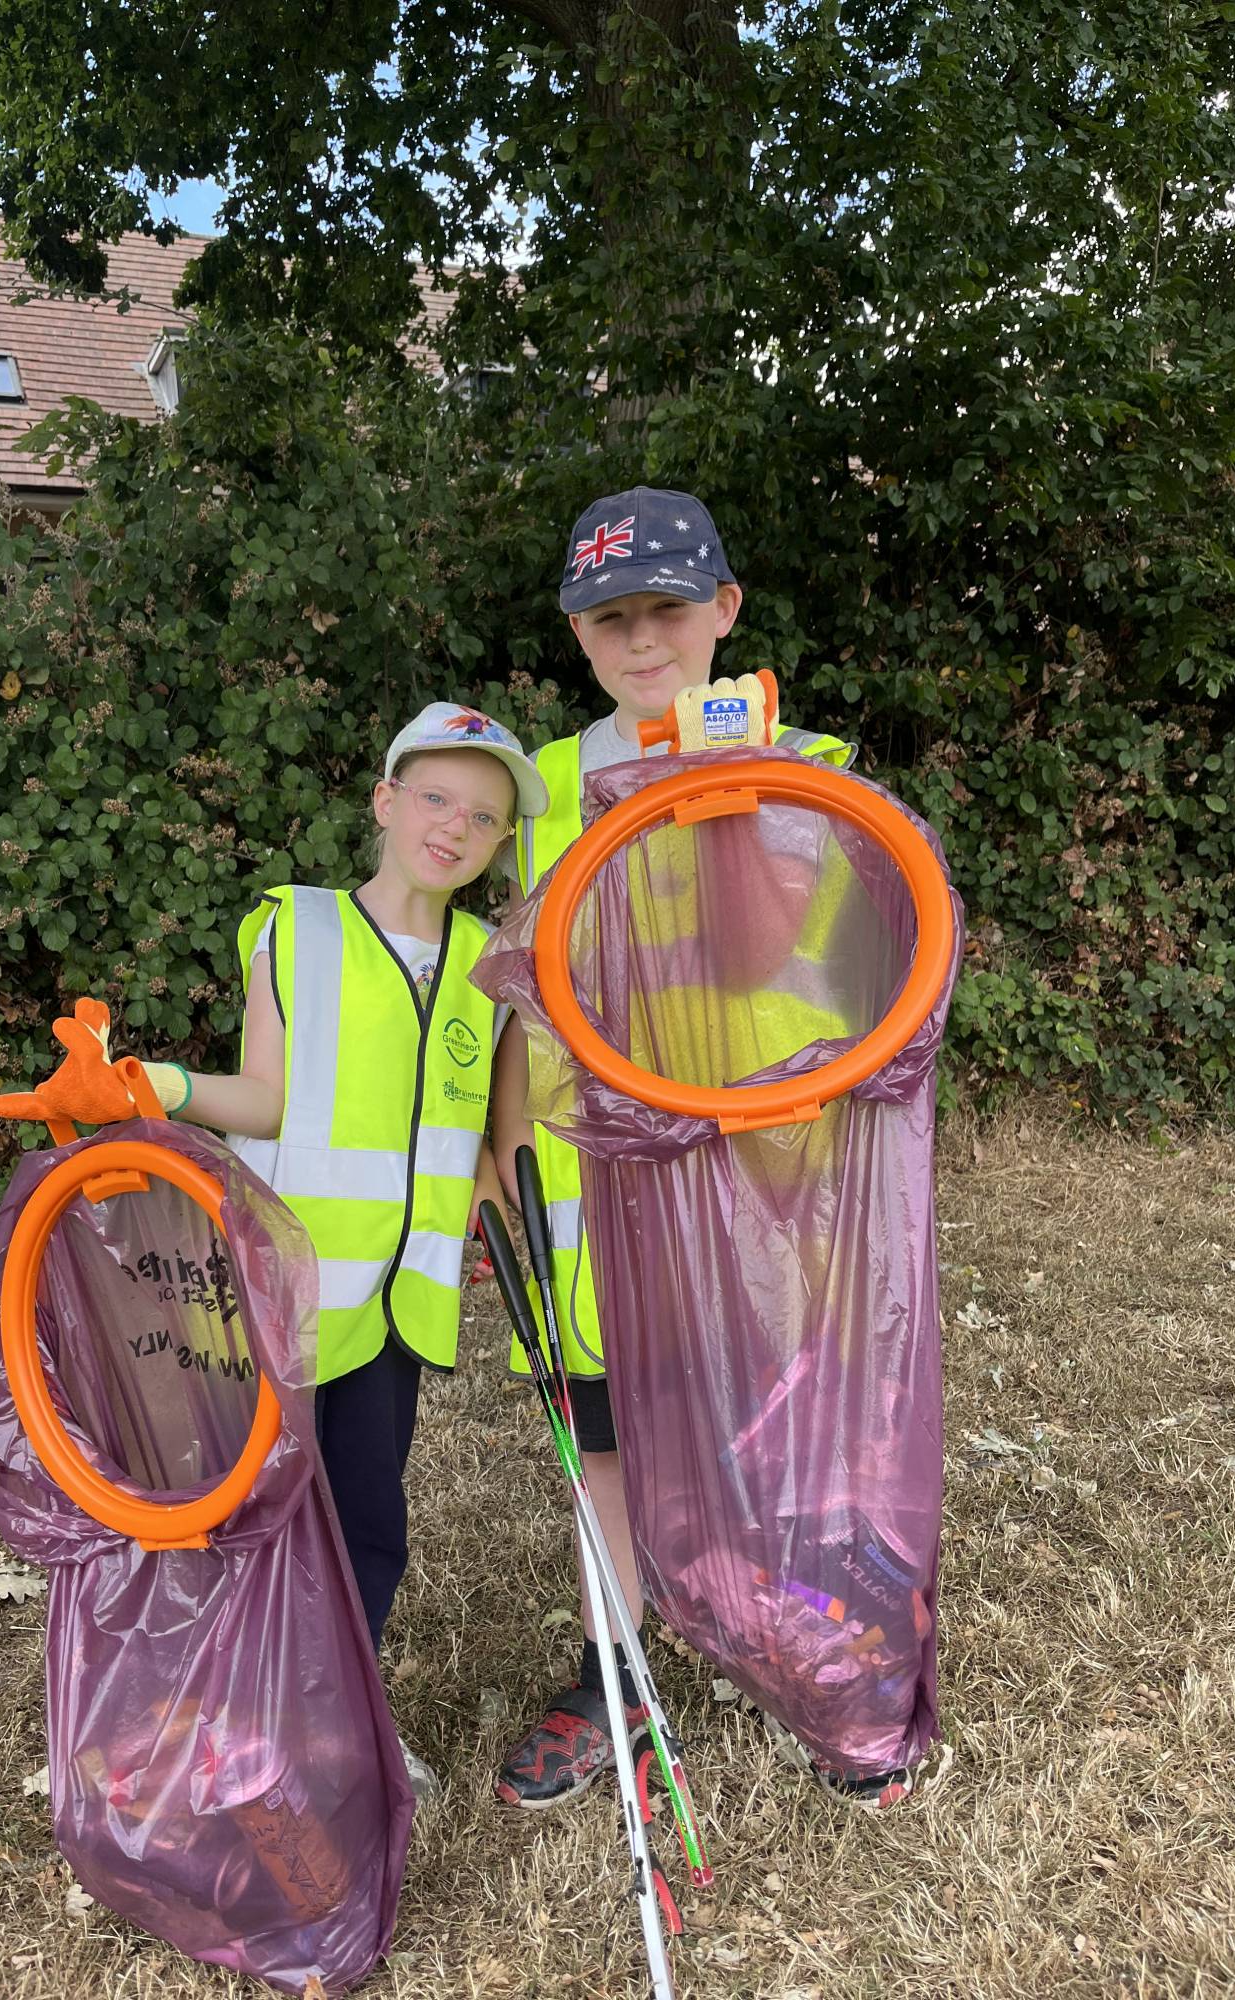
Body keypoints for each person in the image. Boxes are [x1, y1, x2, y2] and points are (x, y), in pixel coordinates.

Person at [490, 486, 892, 1808]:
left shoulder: (813, 765)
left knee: (778, 1428)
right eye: (612, 616)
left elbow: (845, 977)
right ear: (577, 631)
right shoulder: (539, 785)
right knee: (600, 1436)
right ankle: (616, 1664)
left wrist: (728, 803)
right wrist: (500, 1134)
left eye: (668, 607)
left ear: (723, 610)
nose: (641, 636)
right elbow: (505, 979)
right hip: (595, 1179)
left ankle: (807, 1662)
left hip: (768, 1176)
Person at [138, 703, 547, 1797]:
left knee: (369, 1516)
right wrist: (157, 1087)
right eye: (435, 798)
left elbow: (487, 1141)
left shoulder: (487, 965)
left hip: (399, 1304)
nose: (454, 827)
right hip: (283, 1290)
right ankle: (231, 1721)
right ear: (384, 802)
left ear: (503, 842)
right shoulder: (301, 927)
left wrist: (502, 1214)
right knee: (260, 1511)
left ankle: (338, 1719)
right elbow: (264, 1095)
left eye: (485, 816)